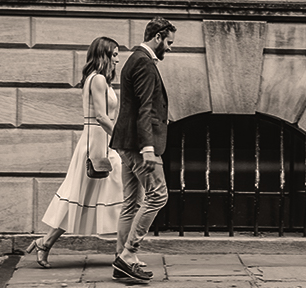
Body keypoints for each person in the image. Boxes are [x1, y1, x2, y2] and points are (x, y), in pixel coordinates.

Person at [25, 36, 123, 269]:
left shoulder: (98, 79)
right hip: (97, 143)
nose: (118, 59)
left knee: (87, 195)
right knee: (86, 194)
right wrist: (121, 139)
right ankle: (125, 252)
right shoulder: (97, 79)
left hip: (101, 141)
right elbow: (100, 116)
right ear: (104, 55)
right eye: (115, 54)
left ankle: (46, 242)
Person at [110, 16, 177, 283]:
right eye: (169, 42)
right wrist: (148, 147)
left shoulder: (134, 59)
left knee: (131, 203)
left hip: (126, 142)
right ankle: (128, 254)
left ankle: (120, 261)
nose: (170, 48)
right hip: (139, 144)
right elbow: (145, 109)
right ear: (158, 37)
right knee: (159, 195)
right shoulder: (144, 63)